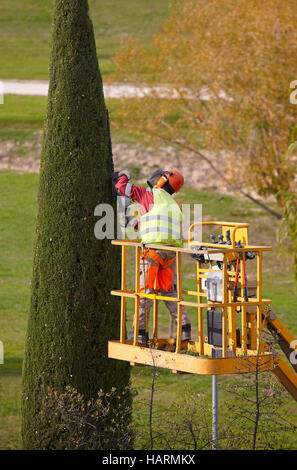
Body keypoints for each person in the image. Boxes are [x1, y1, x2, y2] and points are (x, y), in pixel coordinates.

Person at [115, 168, 191, 344]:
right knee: (170, 292)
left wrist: (123, 174)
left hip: (153, 252)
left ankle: (139, 332)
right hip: (171, 253)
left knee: (145, 292)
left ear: (162, 181)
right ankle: (185, 329)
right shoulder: (171, 204)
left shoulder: (149, 194)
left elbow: (122, 187)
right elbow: (154, 225)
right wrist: (133, 223)